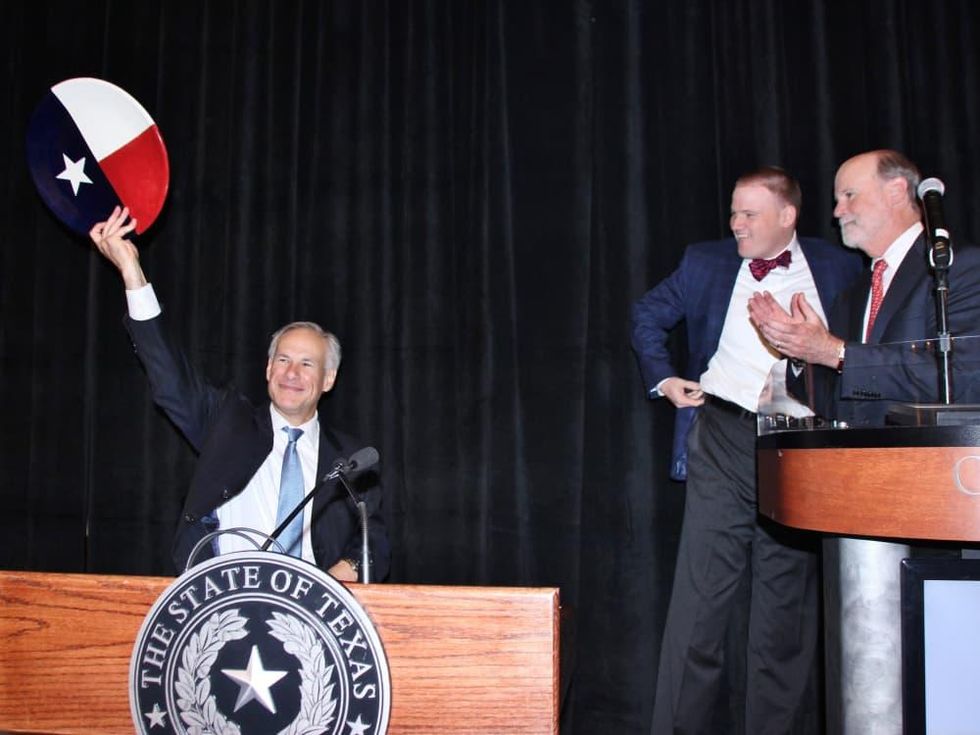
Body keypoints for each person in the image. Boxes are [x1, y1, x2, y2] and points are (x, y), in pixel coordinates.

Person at [631, 166, 862, 733]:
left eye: (749, 214)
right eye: (733, 212)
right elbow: (647, 317)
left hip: (800, 447)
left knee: (785, 612)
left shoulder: (839, 268)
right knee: (701, 604)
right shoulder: (705, 262)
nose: (735, 223)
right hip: (724, 437)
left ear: (787, 216)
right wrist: (665, 380)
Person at [89, 205, 390, 580]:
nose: (292, 373)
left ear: (328, 379)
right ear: (268, 369)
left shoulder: (350, 461)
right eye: (282, 360)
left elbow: (373, 538)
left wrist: (338, 578)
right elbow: (169, 376)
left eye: (307, 364)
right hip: (224, 599)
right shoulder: (226, 423)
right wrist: (132, 272)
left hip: (309, 614)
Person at [748, 150, 980, 421]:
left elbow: (959, 375)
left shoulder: (957, 268)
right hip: (860, 460)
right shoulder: (853, 293)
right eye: (837, 200)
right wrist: (800, 352)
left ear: (895, 191)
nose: (837, 212)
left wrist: (835, 352)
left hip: (929, 458)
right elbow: (835, 403)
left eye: (849, 195)